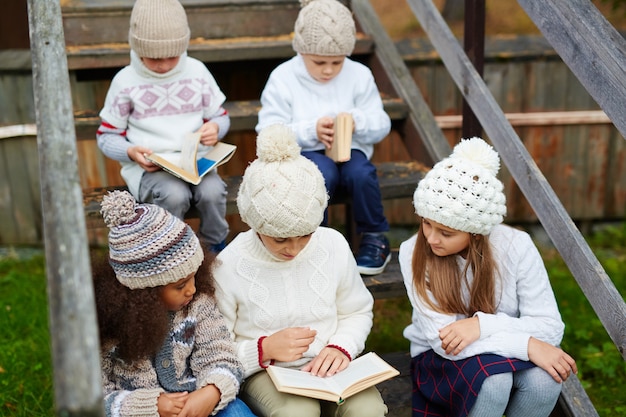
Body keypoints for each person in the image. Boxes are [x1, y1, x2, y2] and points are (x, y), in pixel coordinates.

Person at [212, 124, 388, 417]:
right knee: (297, 413)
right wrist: (263, 349)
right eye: (280, 239)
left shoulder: (332, 244)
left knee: (368, 409)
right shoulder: (230, 264)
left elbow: (356, 311)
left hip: (333, 367)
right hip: (266, 373)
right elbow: (216, 350)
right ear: (254, 223)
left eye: (305, 235)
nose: (293, 249)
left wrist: (341, 347)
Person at [399, 137, 578, 417]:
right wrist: (526, 344)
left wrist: (481, 326)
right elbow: (443, 342)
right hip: (441, 358)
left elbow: (550, 327)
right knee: (493, 381)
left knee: (546, 381)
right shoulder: (413, 252)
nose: (431, 238)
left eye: (446, 232)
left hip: (495, 345)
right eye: (426, 223)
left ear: (475, 231)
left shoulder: (516, 246)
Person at [255, 0, 392, 275]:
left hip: (351, 149)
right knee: (320, 175)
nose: (328, 70)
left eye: (337, 62)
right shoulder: (283, 77)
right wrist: (310, 131)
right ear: (301, 50)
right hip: (306, 151)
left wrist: (357, 122)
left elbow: (381, 123)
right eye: (319, 62)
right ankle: (315, 238)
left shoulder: (359, 75)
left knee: (362, 174)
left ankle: (374, 236)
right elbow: (268, 129)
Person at [92, 189, 256, 417]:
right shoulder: (108, 326)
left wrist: (211, 391)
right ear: (143, 293)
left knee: (236, 413)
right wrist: (151, 406)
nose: (193, 289)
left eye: (194, 276)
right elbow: (96, 396)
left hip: (198, 400)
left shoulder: (198, 304)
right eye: (180, 285)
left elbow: (220, 354)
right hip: (143, 412)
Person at [97, 0, 230, 253]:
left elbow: (221, 116)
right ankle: (170, 249)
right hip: (153, 168)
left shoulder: (197, 72)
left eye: (173, 56)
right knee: (174, 195)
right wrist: (130, 152)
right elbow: (107, 136)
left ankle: (215, 246)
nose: (165, 65)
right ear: (137, 48)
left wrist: (215, 128)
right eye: (155, 58)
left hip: (196, 162)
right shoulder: (125, 82)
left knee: (213, 191)